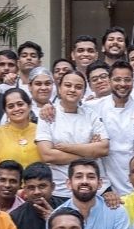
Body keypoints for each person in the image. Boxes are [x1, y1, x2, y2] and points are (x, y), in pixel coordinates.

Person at [36, 70, 109, 199]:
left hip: (92, 190)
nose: (73, 90)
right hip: (60, 191)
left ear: (83, 92)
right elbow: (47, 155)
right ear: (59, 88)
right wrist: (89, 152)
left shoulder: (91, 115)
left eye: (78, 87)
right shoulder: (48, 115)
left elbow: (103, 148)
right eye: (68, 85)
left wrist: (65, 147)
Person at [91, 59, 134, 199]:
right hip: (106, 184)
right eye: (117, 79)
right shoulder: (93, 108)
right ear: (109, 80)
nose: (122, 84)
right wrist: (48, 107)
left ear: (133, 81)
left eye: (127, 80)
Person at [64, 160, 133, 229]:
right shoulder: (58, 217)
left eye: (91, 177)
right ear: (69, 183)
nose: (85, 181)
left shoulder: (117, 213)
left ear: (100, 183)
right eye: (79, 176)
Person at [8, 163, 62, 229]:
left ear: (52, 187)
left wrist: (55, 221)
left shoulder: (67, 209)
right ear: (25, 189)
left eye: (42, 186)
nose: (37, 192)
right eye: (31, 188)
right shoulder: (16, 217)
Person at [0, 87, 42, 170]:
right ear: (5, 111)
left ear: (29, 106)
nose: (16, 109)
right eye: (11, 106)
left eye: (20, 104)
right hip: (8, 182)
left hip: (37, 181)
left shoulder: (41, 130)